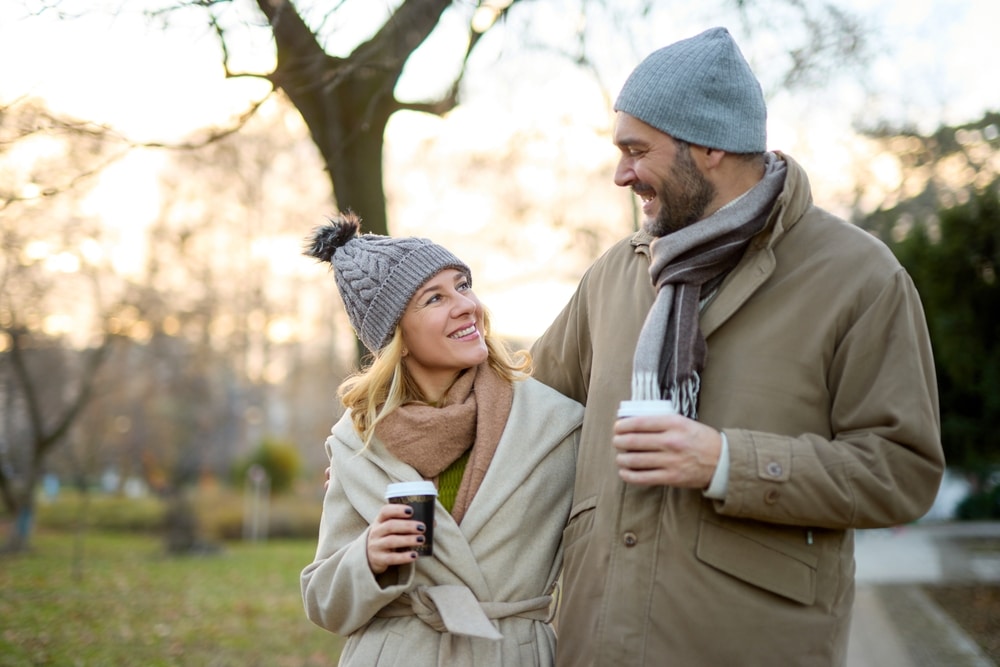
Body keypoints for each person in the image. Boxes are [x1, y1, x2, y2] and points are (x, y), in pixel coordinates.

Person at [528, 27, 945, 667]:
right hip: (592, 645)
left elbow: (902, 472)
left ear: (711, 144)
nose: (621, 174)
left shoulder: (860, 277)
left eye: (637, 150)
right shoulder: (614, 274)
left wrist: (725, 461)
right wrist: (393, 449)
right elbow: (524, 415)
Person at [299, 212, 583, 666]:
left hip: (510, 652)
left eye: (463, 285)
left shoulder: (554, 424)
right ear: (399, 338)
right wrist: (367, 556)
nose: (466, 305)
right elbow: (323, 604)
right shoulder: (360, 445)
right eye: (435, 298)